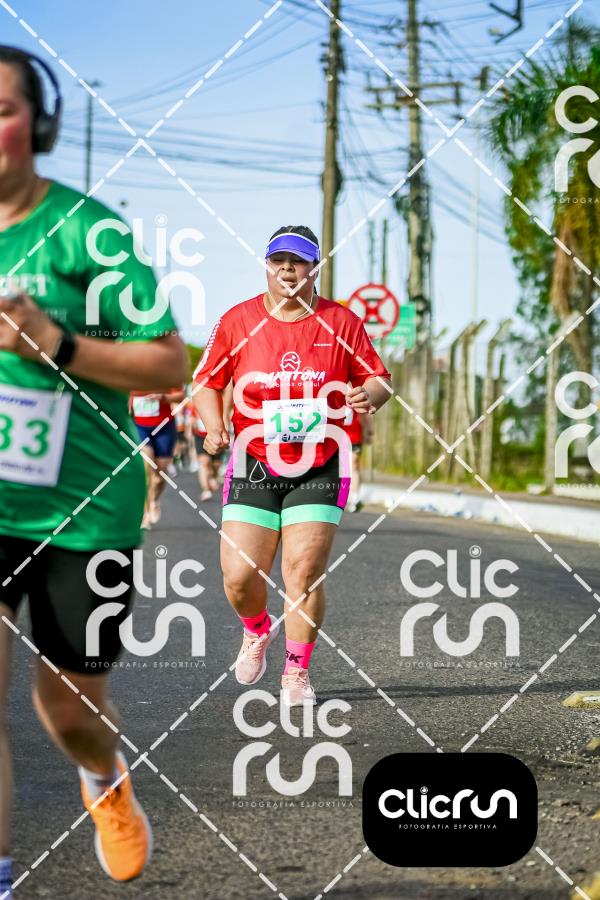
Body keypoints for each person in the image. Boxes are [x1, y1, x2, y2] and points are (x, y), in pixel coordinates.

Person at [0, 47, 187, 897]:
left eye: (2, 111)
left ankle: (104, 778)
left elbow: (166, 360)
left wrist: (59, 343)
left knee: (68, 707)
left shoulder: (88, 233)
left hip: (84, 510)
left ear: (37, 127)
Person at [193, 225, 391, 707]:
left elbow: (381, 378)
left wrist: (370, 394)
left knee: (302, 571)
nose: (288, 269)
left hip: (320, 463)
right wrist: (214, 424)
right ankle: (257, 629)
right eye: (279, 260)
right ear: (266, 265)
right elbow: (206, 382)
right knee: (239, 575)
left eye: (298, 261)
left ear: (314, 268)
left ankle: (296, 672)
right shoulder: (238, 320)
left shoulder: (341, 322)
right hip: (255, 461)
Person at [130, 385, 185, 527]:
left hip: (164, 427)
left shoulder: (163, 373)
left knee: (160, 476)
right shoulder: (130, 375)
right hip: (140, 428)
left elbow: (181, 396)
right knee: (147, 470)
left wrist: (163, 397)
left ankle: (154, 499)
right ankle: (145, 513)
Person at [192, 381, 232, 501]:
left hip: (218, 434)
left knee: (216, 464)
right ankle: (206, 490)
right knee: (204, 462)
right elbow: (192, 414)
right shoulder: (199, 396)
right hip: (200, 435)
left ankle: (214, 476)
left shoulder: (221, 400)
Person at [343, 408, 373, 512]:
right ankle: (342, 498)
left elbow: (365, 414)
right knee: (343, 468)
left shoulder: (356, 397)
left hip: (354, 436)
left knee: (353, 465)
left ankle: (355, 498)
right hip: (340, 435)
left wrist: (369, 431)